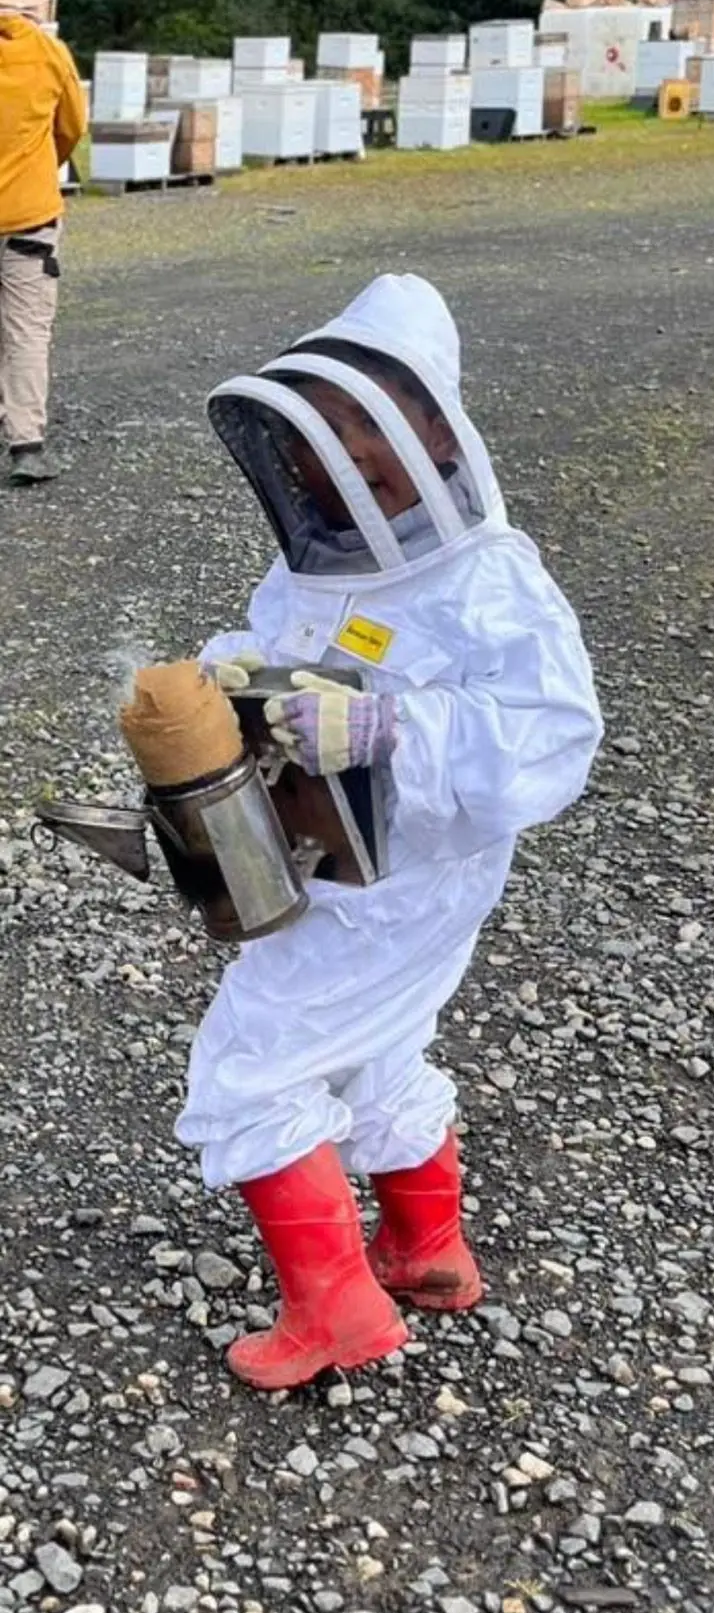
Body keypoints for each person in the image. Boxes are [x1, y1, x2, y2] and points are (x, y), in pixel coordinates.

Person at [177, 271, 603, 1391]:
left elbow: (555, 737)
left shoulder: (489, 578)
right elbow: (289, 641)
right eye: (329, 425)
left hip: (409, 879)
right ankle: (425, 1249)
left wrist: (394, 728)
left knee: (252, 1063)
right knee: (375, 1043)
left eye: (371, 422)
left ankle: (337, 1312)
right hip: (330, 857)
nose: (347, 450)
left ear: (435, 428)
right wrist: (236, 670)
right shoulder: (320, 559)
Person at [0, 0, 87, 485]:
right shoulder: (49, 54)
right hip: (30, 217)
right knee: (27, 329)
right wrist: (37, 165)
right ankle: (26, 444)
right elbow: (72, 127)